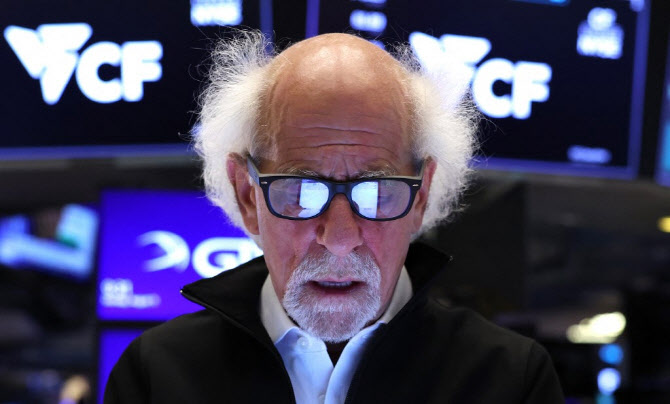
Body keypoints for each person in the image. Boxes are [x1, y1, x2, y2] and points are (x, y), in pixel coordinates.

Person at [104, 31, 564, 403]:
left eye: (377, 191)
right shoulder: (155, 375)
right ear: (247, 195)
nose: (340, 239)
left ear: (421, 195)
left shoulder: (510, 381)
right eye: (301, 190)